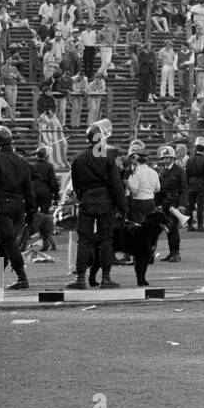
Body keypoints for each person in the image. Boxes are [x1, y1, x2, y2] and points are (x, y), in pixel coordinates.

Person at [66, 123, 128, 290]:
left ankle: (80, 278)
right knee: (105, 241)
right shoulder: (107, 157)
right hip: (106, 202)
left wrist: (83, 197)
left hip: (87, 201)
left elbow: (76, 183)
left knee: (84, 241)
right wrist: (123, 207)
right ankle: (106, 278)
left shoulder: (79, 158)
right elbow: (116, 184)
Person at [0, 127, 35, 290]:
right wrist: (31, 210)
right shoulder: (22, 161)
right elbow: (29, 188)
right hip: (19, 206)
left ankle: (22, 277)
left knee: (8, 242)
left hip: (2, 205)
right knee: (3, 243)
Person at [154, 145, 186, 261]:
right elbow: (160, 190)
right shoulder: (163, 172)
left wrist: (182, 204)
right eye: (164, 158)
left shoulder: (179, 171)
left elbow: (183, 188)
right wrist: (157, 204)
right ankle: (171, 252)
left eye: (168, 158)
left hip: (175, 202)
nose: (165, 160)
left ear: (172, 158)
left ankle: (176, 252)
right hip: (165, 202)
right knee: (167, 228)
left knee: (173, 228)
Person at [184, 136, 204, 231]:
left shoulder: (189, 159)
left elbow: (187, 174)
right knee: (200, 206)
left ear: (196, 147)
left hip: (191, 184)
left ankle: (189, 225)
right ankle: (200, 225)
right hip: (201, 185)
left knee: (190, 206)